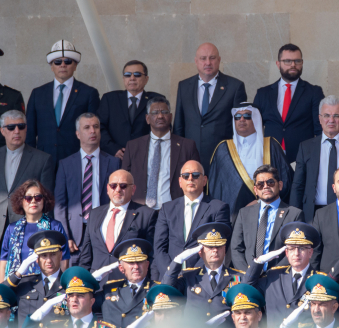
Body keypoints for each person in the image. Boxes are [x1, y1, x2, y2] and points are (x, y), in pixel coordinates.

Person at [0, 110, 55, 270]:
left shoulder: (42, 159)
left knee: (27, 280)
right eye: (11, 127)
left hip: (29, 231)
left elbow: (47, 202)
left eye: (21, 126)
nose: (16, 131)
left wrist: (43, 233)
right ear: (2, 130)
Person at [54, 113, 121, 265]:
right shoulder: (65, 164)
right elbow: (60, 205)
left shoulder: (114, 162)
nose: (92, 131)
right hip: (76, 233)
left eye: (96, 127)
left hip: (104, 229)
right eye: (87, 127)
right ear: (78, 134)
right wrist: (65, 236)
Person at [208, 103, 292, 218]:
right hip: (233, 215)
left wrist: (260, 202)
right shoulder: (223, 148)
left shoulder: (271, 145)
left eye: (247, 116)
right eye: (237, 117)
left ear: (256, 119)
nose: (242, 119)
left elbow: (286, 181)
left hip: (268, 211)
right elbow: (215, 187)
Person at [173, 42, 248, 171]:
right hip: (190, 159)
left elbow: (240, 127)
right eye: (203, 58)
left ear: (219, 60)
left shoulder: (235, 87)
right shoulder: (184, 86)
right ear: (196, 61)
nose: (208, 62)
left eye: (212, 58)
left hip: (223, 159)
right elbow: (179, 125)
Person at [152, 160, 231, 280]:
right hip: (170, 278)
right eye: (185, 176)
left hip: (202, 279)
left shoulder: (218, 208)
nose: (190, 179)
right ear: (180, 181)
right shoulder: (167, 209)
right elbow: (159, 247)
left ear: (204, 180)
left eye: (195, 175)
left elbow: (219, 244)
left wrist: (193, 275)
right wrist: (171, 273)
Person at [24, 40, 101, 163]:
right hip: (43, 159)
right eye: (58, 62)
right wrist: (31, 159)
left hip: (75, 157)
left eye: (68, 61)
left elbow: (93, 129)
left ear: (75, 65)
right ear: (52, 66)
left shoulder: (88, 93)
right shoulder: (37, 93)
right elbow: (30, 132)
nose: (63, 65)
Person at [121, 96, 201, 210]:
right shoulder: (133, 146)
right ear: (147, 118)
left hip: (174, 210)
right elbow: (123, 180)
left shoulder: (187, 146)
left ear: (171, 116)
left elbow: (197, 180)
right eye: (155, 112)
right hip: (139, 211)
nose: (160, 116)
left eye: (164, 112)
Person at [253, 43, 325, 164]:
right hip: (269, 157)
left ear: (302, 63)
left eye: (297, 61)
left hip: (302, 158)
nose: (293, 65)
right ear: (278, 64)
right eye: (287, 61)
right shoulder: (263, 93)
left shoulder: (314, 92)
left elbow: (320, 129)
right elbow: (254, 128)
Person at [243, 222, 321, 328]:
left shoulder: (319, 280)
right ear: (286, 253)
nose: (296, 253)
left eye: (302, 248)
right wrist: (258, 262)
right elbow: (246, 290)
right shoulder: (273, 276)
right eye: (292, 248)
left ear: (310, 252)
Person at [76, 169, 158, 271]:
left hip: (127, 282)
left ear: (133, 189)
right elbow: (86, 255)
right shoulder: (94, 214)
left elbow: (153, 255)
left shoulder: (146, 214)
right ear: (107, 188)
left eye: (123, 185)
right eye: (113, 185)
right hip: (98, 282)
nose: (118, 189)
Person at [164, 222, 244, 323]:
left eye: (219, 246)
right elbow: (166, 291)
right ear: (200, 251)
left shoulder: (238, 277)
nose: (215, 250)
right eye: (210, 247)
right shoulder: (189, 277)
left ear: (224, 250)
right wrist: (177, 261)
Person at [229, 166, 304, 271]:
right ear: (255, 190)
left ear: (280, 185)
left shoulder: (294, 214)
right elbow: (236, 248)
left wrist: (272, 276)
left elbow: (294, 249)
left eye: (270, 182)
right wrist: (248, 275)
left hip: (278, 278)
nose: (265, 186)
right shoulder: (243, 213)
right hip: (248, 277)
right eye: (260, 184)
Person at [0, 180, 69, 282]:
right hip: (17, 286)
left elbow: (64, 260)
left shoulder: (55, 226)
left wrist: (58, 287)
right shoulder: (12, 229)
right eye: (28, 198)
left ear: (44, 200)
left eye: (38, 197)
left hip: (46, 286)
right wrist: (2, 291)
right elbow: (3, 264)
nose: (33, 201)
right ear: (21, 201)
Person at [97, 60, 164, 160]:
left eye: (137, 74)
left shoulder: (157, 100)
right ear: (124, 79)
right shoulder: (110, 99)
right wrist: (113, 149)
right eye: (128, 75)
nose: (132, 78)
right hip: (114, 158)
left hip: (146, 158)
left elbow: (163, 129)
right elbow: (99, 126)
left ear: (146, 79)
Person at [4, 230, 68, 325]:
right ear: (37, 259)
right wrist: (18, 273)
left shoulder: (69, 284)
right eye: (44, 256)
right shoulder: (25, 284)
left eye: (53, 254)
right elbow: (0, 295)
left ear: (60, 255)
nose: (49, 260)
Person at [20, 267, 104, 328]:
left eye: (80, 295)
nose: (74, 300)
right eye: (70, 296)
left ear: (92, 301)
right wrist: (39, 314)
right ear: (67, 300)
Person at [101, 239, 158, 328]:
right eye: (131, 263)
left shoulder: (156, 290)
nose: (136, 267)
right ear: (121, 268)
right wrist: (94, 279)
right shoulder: (109, 290)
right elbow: (84, 301)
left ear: (147, 265)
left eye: (139, 262)